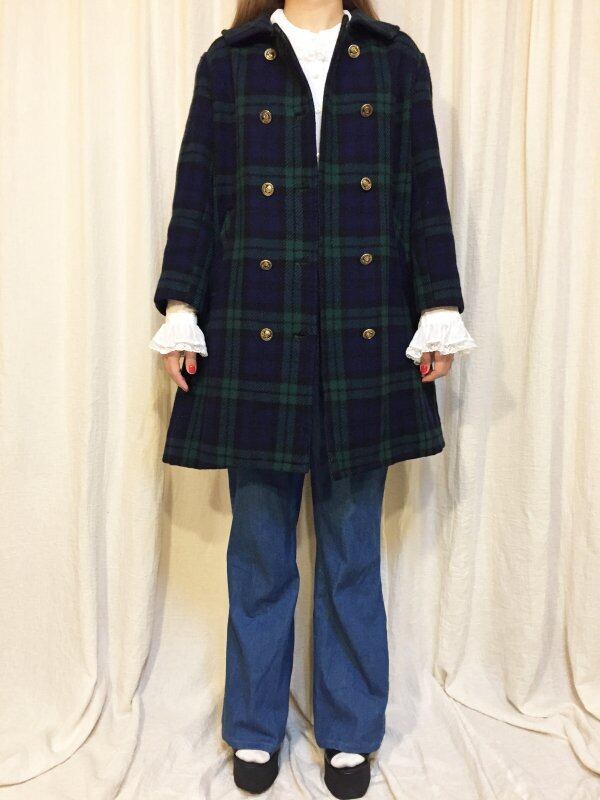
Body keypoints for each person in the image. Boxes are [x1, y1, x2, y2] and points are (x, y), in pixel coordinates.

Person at [149, 1, 476, 796]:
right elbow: (200, 193)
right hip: (257, 333)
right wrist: (183, 310)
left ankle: (351, 730)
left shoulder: (394, 60)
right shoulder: (231, 61)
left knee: (352, 550)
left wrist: (437, 308)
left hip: (363, 337)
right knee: (260, 550)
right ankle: (255, 726)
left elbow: (421, 193)